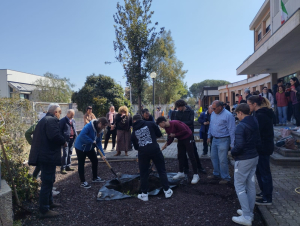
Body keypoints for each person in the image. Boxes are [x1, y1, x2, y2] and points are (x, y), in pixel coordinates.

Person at [28, 104, 66, 218]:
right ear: (55, 112)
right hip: (47, 156)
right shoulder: (52, 120)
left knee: (49, 180)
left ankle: (49, 202)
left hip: (44, 155)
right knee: (47, 181)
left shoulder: (44, 120)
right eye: (59, 112)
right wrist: (63, 141)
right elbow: (54, 136)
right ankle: (44, 209)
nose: (60, 115)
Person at [230, 104, 260, 226]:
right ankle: (249, 212)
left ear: (241, 113)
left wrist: (232, 152)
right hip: (254, 157)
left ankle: (246, 217)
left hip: (244, 159)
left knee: (239, 185)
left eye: (237, 114)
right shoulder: (255, 121)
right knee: (250, 184)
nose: (237, 116)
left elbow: (239, 146)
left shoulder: (241, 126)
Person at [131, 114, 173, 201]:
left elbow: (136, 147)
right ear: (141, 119)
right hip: (155, 150)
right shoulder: (151, 124)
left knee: (143, 173)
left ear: (134, 121)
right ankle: (167, 191)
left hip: (142, 153)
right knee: (161, 170)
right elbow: (159, 134)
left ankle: (144, 194)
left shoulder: (133, 132)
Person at [247, 96, 274, 205]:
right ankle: (264, 192)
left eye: (249, 104)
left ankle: (267, 198)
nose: (248, 107)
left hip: (263, 147)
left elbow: (257, 132)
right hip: (261, 147)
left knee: (264, 172)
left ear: (254, 104)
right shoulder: (259, 114)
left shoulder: (261, 115)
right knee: (260, 171)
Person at [157, 117, 200, 184]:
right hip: (181, 139)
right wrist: (166, 144)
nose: (161, 127)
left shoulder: (175, 123)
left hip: (188, 137)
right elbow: (171, 137)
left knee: (191, 155)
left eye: (160, 125)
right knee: (180, 155)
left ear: (163, 122)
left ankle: (196, 175)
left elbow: (185, 130)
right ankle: (181, 172)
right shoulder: (166, 128)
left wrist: (175, 134)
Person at [173, 99, 206, 174]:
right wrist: (183, 124)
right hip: (181, 135)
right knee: (182, 152)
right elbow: (175, 122)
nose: (178, 109)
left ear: (182, 106)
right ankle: (186, 168)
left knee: (194, 151)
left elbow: (191, 122)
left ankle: (199, 167)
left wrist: (180, 123)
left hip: (189, 135)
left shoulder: (190, 111)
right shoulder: (177, 113)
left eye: (179, 107)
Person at [207, 100, 235, 184]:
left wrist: (232, 144)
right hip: (214, 139)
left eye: (214, 108)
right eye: (212, 108)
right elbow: (211, 125)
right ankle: (216, 173)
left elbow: (232, 130)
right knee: (213, 157)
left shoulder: (228, 115)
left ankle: (225, 177)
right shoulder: (213, 113)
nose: (212, 109)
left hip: (224, 139)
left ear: (220, 107)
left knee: (222, 159)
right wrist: (209, 136)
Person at [74, 117, 108, 189]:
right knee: (81, 163)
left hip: (90, 147)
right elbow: (82, 135)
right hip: (81, 147)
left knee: (95, 161)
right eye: (103, 126)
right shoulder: (89, 126)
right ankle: (83, 182)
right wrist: (91, 141)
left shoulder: (100, 131)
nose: (103, 128)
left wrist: (103, 155)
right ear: (100, 123)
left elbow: (98, 143)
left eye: (105, 127)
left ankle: (95, 178)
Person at [60, 109, 77, 174]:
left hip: (72, 139)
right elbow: (60, 131)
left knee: (70, 153)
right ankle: (63, 168)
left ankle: (68, 166)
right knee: (65, 154)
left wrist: (76, 137)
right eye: (71, 115)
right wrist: (63, 140)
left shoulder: (73, 120)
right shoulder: (63, 120)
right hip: (65, 140)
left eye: (73, 115)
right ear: (67, 114)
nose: (72, 116)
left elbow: (74, 129)